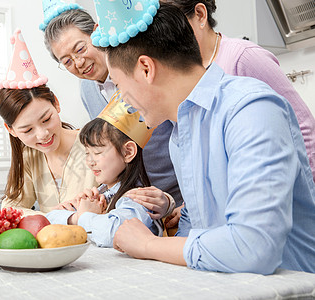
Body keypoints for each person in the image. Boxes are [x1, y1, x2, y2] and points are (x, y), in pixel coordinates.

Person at [94, 2, 315, 274]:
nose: (123, 101)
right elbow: (197, 227)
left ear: (146, 69)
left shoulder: (249, 109)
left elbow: (255, 247)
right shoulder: (180, 133)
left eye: (118, 85)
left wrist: (147, 245)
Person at [42, 5, 182, 227]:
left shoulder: (142, 69)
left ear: (97, 32)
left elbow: (188, 131)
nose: (78, 63)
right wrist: (102, 193)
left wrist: (184, 203)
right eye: (66, 61)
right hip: (133, 201)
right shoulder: (86, 90)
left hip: (177, 198)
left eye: (80, 49)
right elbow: (109, 148)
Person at [164, 0, 315, 182]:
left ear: (200, 14)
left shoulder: (243, 57)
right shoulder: (182, 74)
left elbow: (301, 125)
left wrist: (305, 191)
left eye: (172, 26)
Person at [47, 93, 170, 247]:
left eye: (97, 153)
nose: (90, 162)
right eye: (87, 153)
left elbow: (113, 233)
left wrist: (85, 215)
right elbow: (50, 218)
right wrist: (77, 217)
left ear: (128, 152)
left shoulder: (138, 198)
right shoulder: (100, 195)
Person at [0, 29, 97, 215]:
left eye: (46, 119)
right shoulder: (29, 157)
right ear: (11, 130)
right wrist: (52, 218)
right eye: (27, 130)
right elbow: (11, 208)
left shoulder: (96, 144)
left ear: (56, 104)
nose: (43, 134)